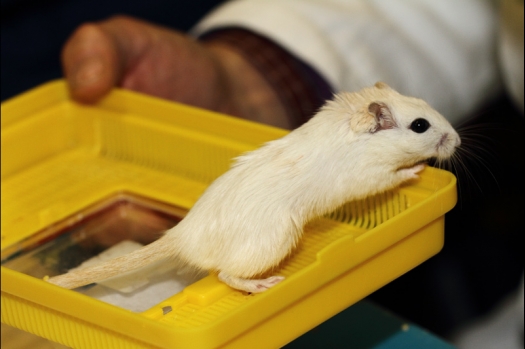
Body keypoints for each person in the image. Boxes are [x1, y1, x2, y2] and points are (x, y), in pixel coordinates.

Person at [48, 0, 525, 347]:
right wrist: (255, 80)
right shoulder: (354, 152)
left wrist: (397, 174)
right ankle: (237, 273)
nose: (446, 139)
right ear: (372, 122)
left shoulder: (353, 139)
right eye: (422, 128)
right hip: (239, 229)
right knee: (278, 235)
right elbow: (351, 186)